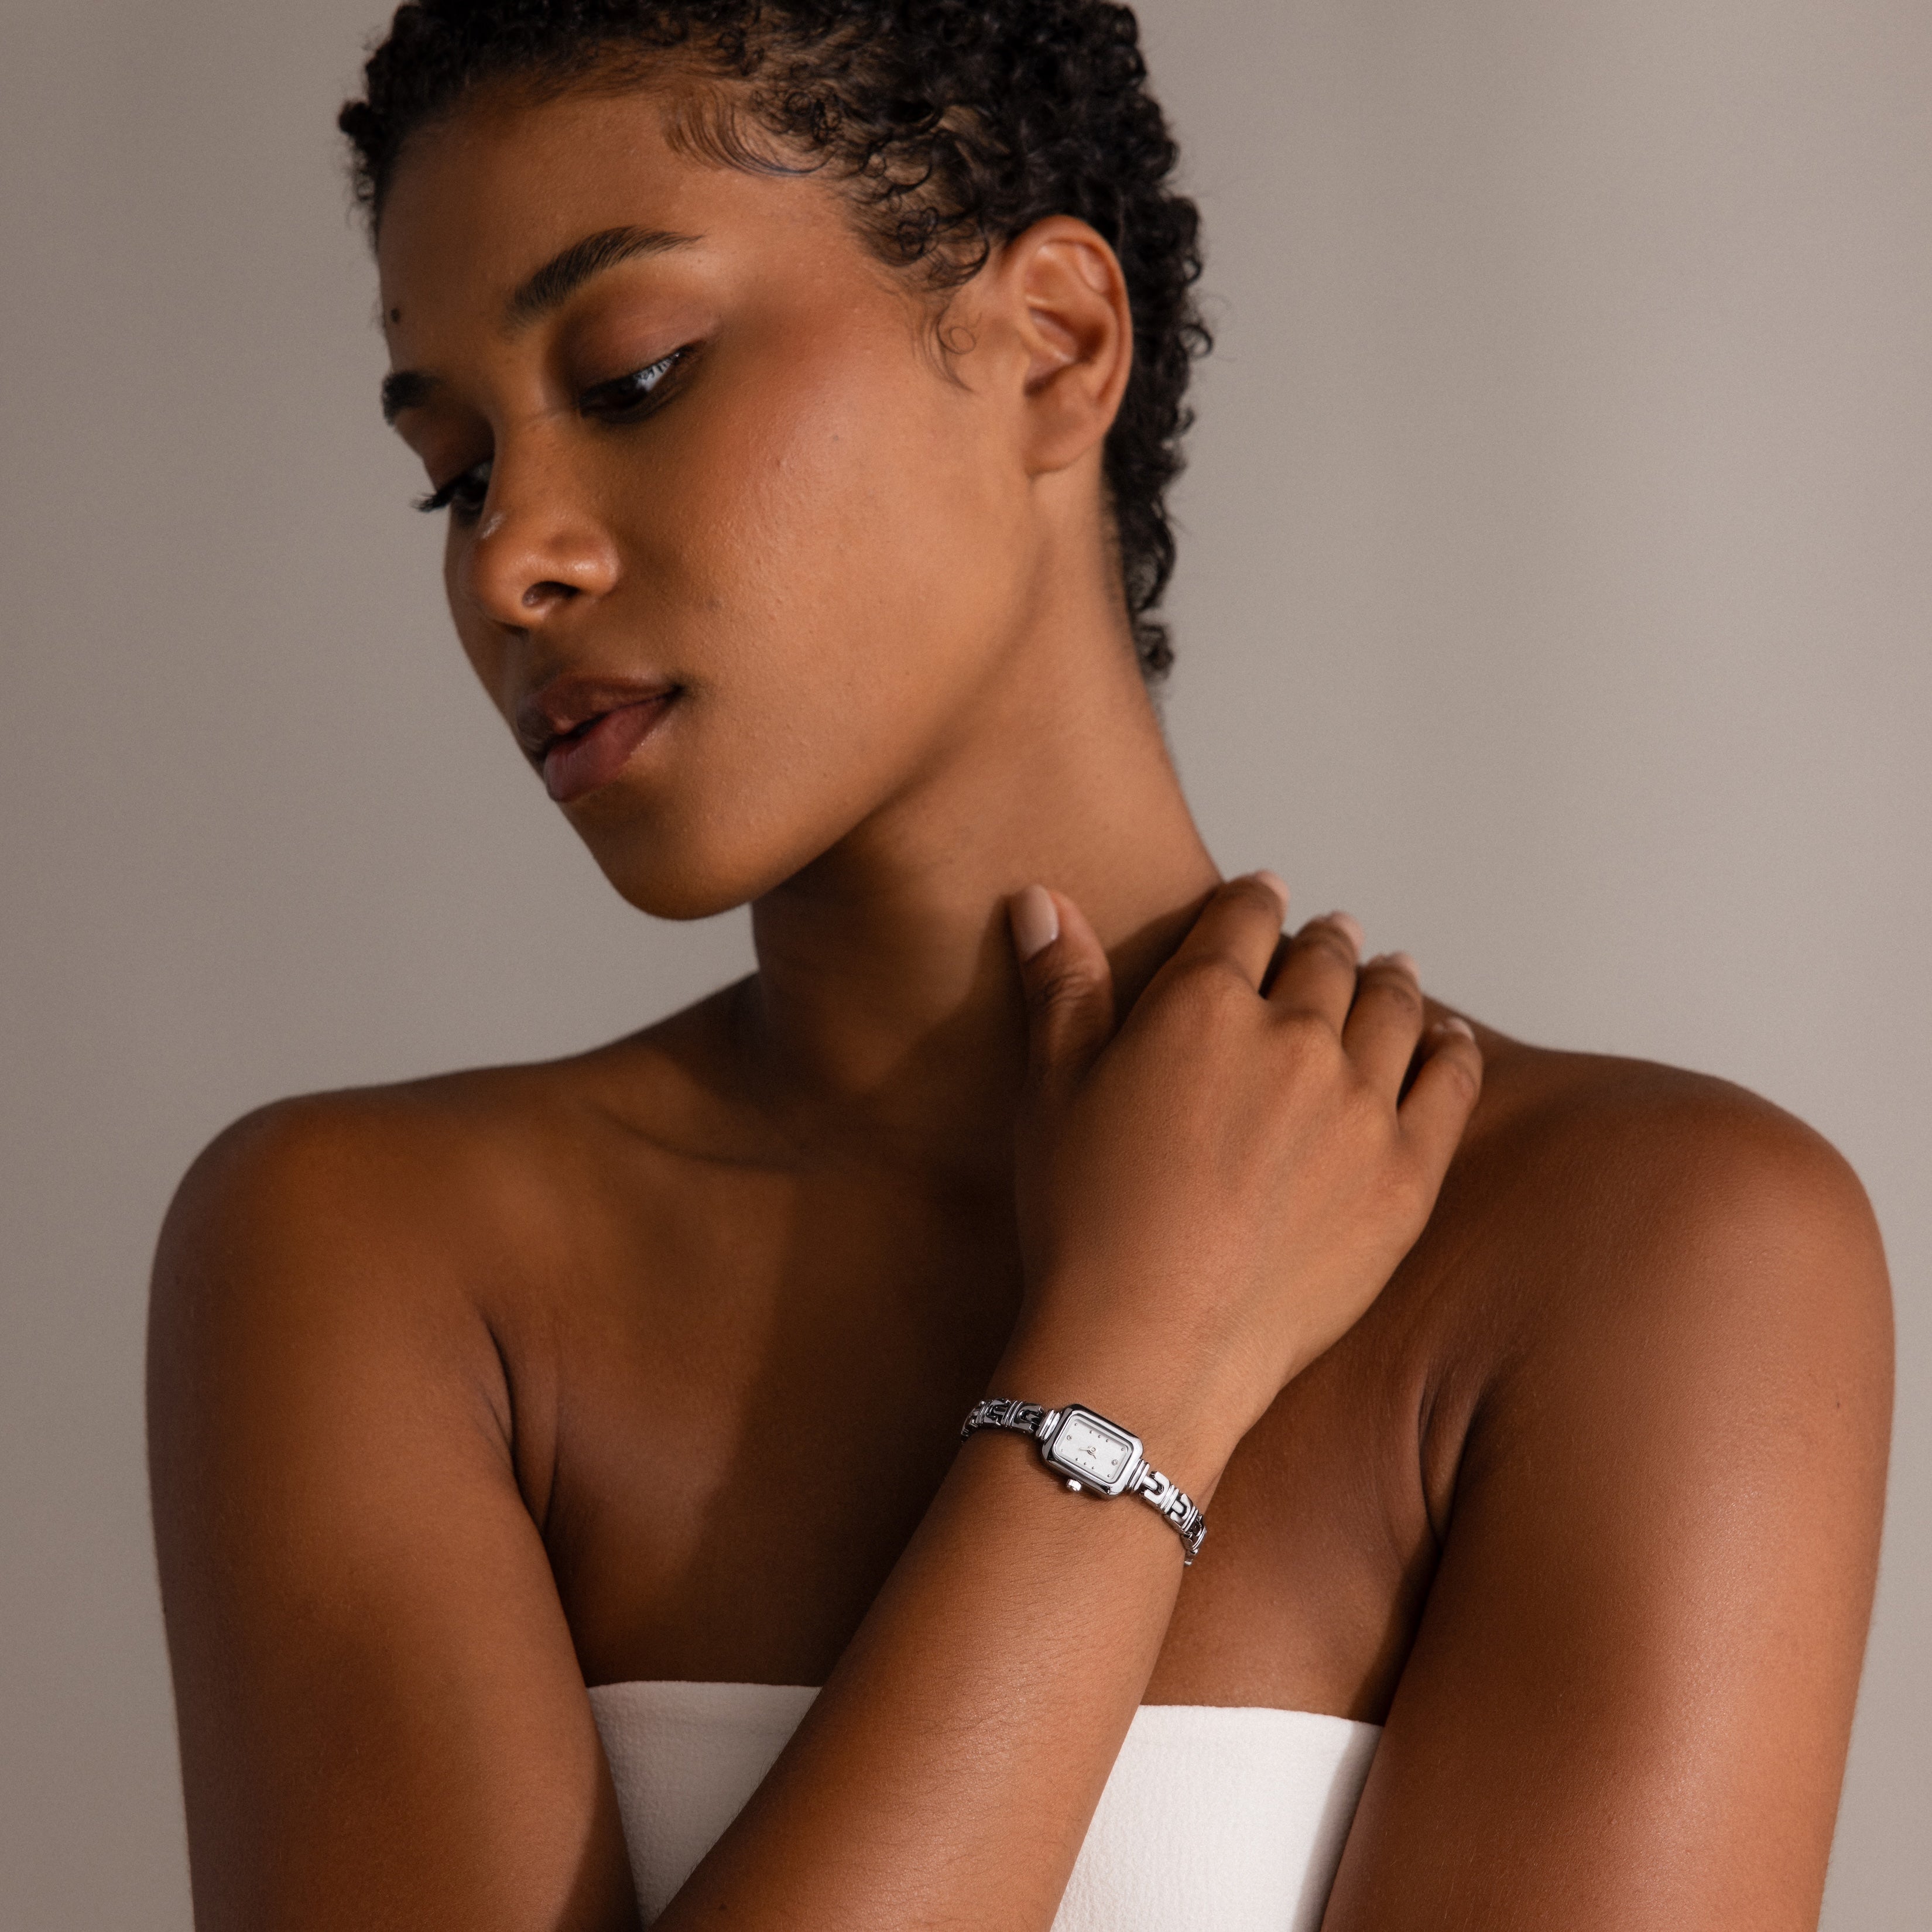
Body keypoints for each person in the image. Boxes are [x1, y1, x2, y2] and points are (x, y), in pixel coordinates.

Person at [146, 4, 1893, 1927]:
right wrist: (1130, 1375)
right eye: (456, 471)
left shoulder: (1651, 1249)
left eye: (634, 374)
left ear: (1052, 343)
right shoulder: (361, 1258)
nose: (508, 564)